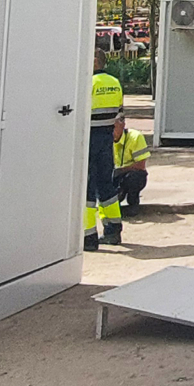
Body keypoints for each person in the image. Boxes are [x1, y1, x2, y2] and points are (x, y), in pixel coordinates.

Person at [84, 49, 123, 251]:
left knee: (87, 187)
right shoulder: (114, 82)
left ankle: (88, 237)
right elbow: (119, 114)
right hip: (106, 138)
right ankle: (113, 230)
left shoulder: (88, 83)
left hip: (89, 138)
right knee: (106, 184)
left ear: (94, 61)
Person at [96, 113, 150, 245]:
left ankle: (133, 201)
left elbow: (141, 165)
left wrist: (120, 170)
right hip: (112, 175)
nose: (111, 131)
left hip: (129, 173)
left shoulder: (135, 137)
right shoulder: (105, 140)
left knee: (136, 177)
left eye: (113, 127)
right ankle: (116, 209)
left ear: (123, 125)